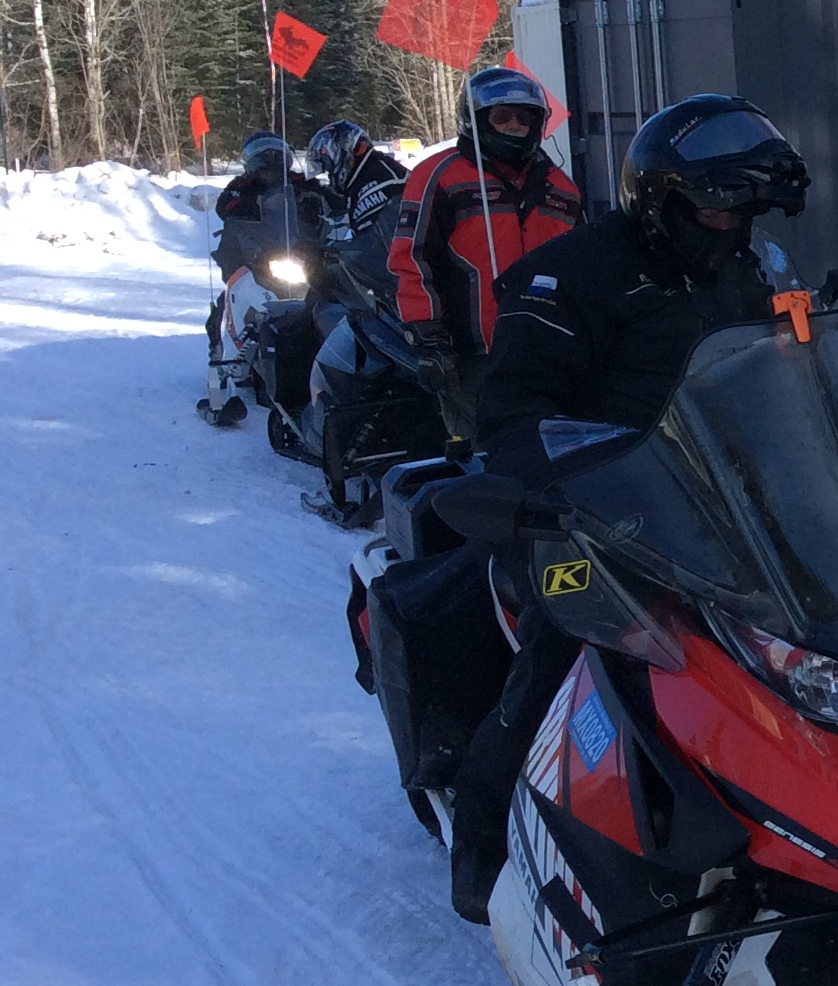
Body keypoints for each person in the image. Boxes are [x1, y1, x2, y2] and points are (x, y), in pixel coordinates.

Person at [444, 92, 808, 923]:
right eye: (716, 208)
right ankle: (484, 832)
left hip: (729, 507)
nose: (731, 225)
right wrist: (556, 490)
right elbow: (514, 411)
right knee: (567, 647)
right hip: (600, 515)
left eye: (744, 211)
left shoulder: (753, 270)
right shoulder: (569, 276)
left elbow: (792, 371)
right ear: (662, 199)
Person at [388, 66, 582, 438]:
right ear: (476, 119)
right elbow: (412, 259)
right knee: (485, 452)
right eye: (501, 116)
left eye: (524, 117)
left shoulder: (562, 189)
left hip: (549, 351)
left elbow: (583, 266)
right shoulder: (440, 176)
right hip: (472, 355)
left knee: (558, 448)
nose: (514, 125)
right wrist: (431, 340)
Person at [200, 132, 324, 423]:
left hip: (297, 252)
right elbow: (224, 208)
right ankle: (226, 360)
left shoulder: (299, 183)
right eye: (264, 158)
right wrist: (242, 200)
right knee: (239, 288)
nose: (270, 164)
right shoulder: (242, 186)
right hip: (252, 254)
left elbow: (326, 201)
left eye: (275, 156)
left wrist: (324, 205)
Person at [305, 120, 410, 319]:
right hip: (395, 284)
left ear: (344, 155)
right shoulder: (365, 178)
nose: (328, 173)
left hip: (402, 287)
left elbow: (376, 244)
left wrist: (334, 252)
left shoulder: (384, 181)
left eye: (328, 166)